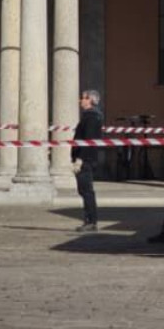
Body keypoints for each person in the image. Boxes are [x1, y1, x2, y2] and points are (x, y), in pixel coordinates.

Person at [70, 90, 104, 231]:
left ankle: (91, 221)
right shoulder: (91, 116)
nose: (80, 101)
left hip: (86, 159)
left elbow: (88, 140)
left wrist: (80, 159)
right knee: (84, 190)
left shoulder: (91, 117)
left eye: (83, 98)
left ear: (90, 100)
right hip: (87, 158)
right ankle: (89, 220)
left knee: (86, 190)